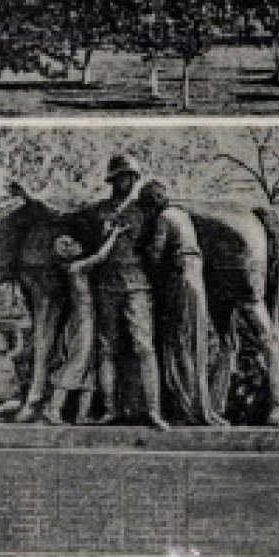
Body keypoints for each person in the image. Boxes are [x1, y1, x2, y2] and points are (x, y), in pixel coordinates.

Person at [88, 155, 168, 431]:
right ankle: (110, 410)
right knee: (106, 348)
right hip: (106, 286)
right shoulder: (98, 211)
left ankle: (153, 411)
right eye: (125, 177)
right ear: (113, 179)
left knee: (145, 347)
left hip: (138, 286)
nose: (130, 182)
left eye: (133, 177)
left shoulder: (144, 211)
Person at [137, 181, 227, 427]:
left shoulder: (163, 219)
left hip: (178, 279)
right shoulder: (182, 215)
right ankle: (201, 405)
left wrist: (141, 254)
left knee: (178, 343)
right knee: (196, 345)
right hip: (196, 280)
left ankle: (186, 407)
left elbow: (156, 254)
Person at [43, 226, 127, 425]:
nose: (78, 245)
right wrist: (114, 234)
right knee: (78, 362)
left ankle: (82, 415)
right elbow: (100, 256)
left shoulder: (77, 268)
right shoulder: (75, 268)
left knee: (88, 365)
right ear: (67, 251)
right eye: (72, 244)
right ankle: (54, 409)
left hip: (87, 318)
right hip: (82, 320)